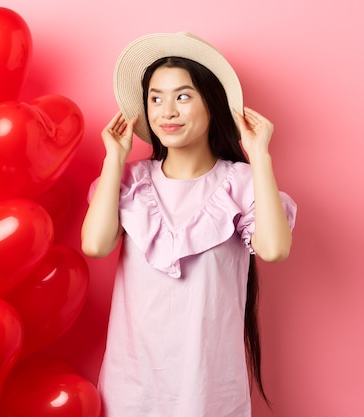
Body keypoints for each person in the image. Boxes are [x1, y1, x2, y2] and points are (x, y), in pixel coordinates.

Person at [81, 32, 297, 417]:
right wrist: (114, 158)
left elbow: (275, 249)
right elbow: (95, 245)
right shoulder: (129, 182)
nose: (167, 111)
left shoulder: (242, 183)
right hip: (132, 387)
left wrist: (259, 155)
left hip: (209, 389)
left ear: (211, 105)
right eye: (155, 99)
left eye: (183, 96)